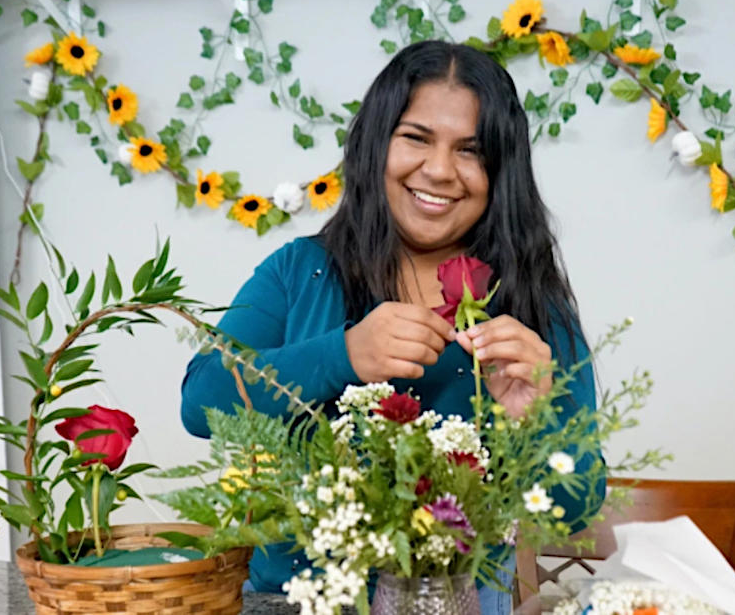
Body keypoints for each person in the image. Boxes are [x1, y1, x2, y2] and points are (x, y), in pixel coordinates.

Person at [181, 39, 601, 615]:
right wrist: (344, 353)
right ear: (376, 144)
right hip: (288, 604)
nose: (439, 170)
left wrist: (540, 422)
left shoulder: (532, 304)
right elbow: (201, 402)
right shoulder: (299, 272)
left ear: (500, 173)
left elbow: (575, 512)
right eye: (416, 138)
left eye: (471, 151)